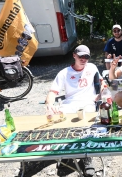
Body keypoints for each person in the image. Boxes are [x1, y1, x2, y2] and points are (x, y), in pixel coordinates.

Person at [45, 45, 106, 177]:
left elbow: (102, 83)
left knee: (86, 125)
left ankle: (87, 158)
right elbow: (52, 92)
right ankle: (67, 153)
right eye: (81, 56)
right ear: (74, 55)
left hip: (88, 103)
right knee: (60, 123)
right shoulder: (64, 73)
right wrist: (50, 105)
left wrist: (102, 93)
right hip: (69, 104)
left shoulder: (92, 68)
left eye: (87, 57)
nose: (84, 59)